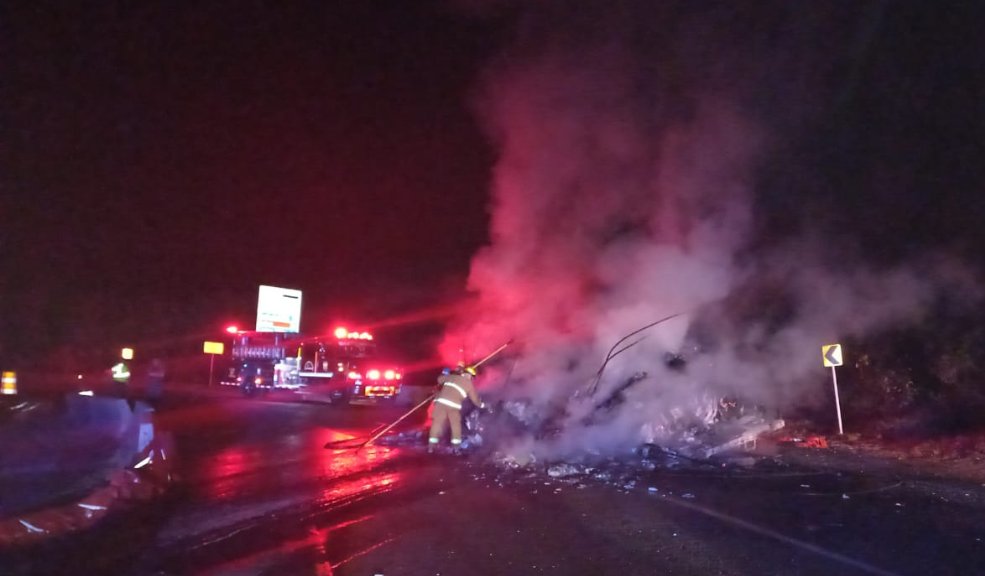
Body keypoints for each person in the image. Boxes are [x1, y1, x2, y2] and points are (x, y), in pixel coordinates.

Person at [428, 365, 483, 453]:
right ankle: (456, 448)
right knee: (455, 426)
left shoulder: (452, 377)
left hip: (440, 404)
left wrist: (445, 374)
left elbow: (439, 380)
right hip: (453, 407)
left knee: (437, 424)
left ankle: (431, 447)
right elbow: (475, 400)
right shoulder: (469, 384)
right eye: (471, 377)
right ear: (470, 376)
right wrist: (482, 405)